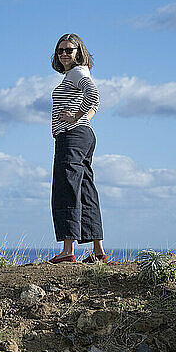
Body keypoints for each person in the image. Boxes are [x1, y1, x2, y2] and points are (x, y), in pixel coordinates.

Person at [49, 33, 107, 264]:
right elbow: (96, 102)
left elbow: (94, 94)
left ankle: (67, 251)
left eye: (69, 50)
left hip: (72, 136)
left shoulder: (77, 72)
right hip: (84, 135)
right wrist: (84, 118)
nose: (64, 54)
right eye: (60, 50)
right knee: (85, 189)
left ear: (79, 52)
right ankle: (98, 250)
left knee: (66, 188)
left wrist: (75, 117)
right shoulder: (77, 74)